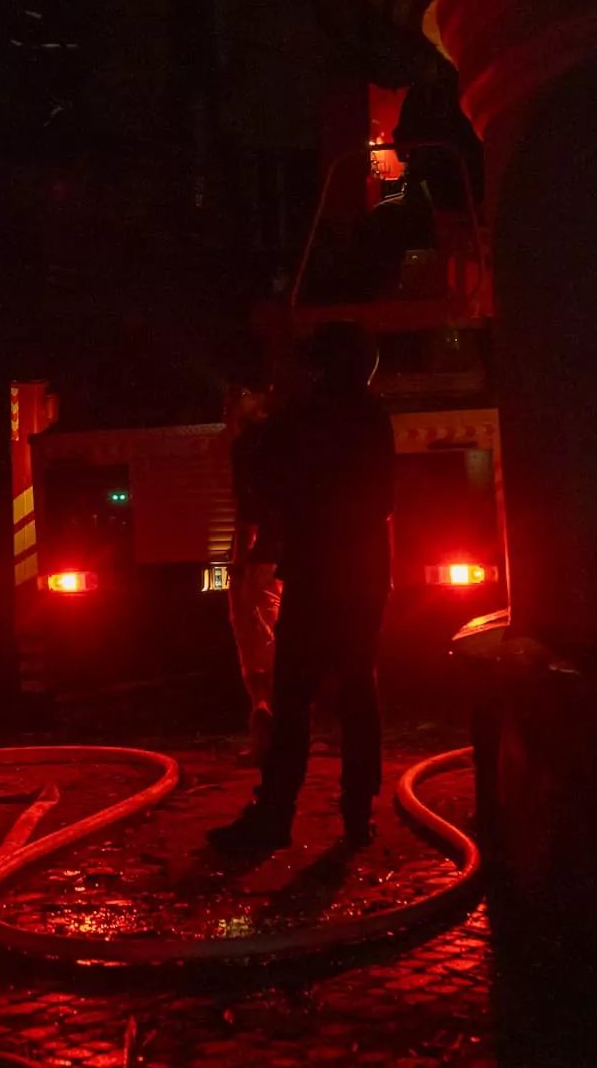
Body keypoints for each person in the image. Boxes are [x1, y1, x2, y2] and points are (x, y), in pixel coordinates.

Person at [207, 322, 395, 855]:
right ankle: (358, 818)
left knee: (293, 699)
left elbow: (260, 480)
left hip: (316, 575)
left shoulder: (306, 418)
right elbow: (381, 502)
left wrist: (264, 422)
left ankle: (274, 818)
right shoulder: (371, 417)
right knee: (359, 694)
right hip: (362, 577)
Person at [225, 380, 283, 765]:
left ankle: (268, 730)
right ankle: (278, 730)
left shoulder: (247, 448)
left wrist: (239, 563)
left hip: (261, 559)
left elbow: (247, 512)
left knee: (256, 642)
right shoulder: (287, 442)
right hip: (284, 554)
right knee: (271, 640)